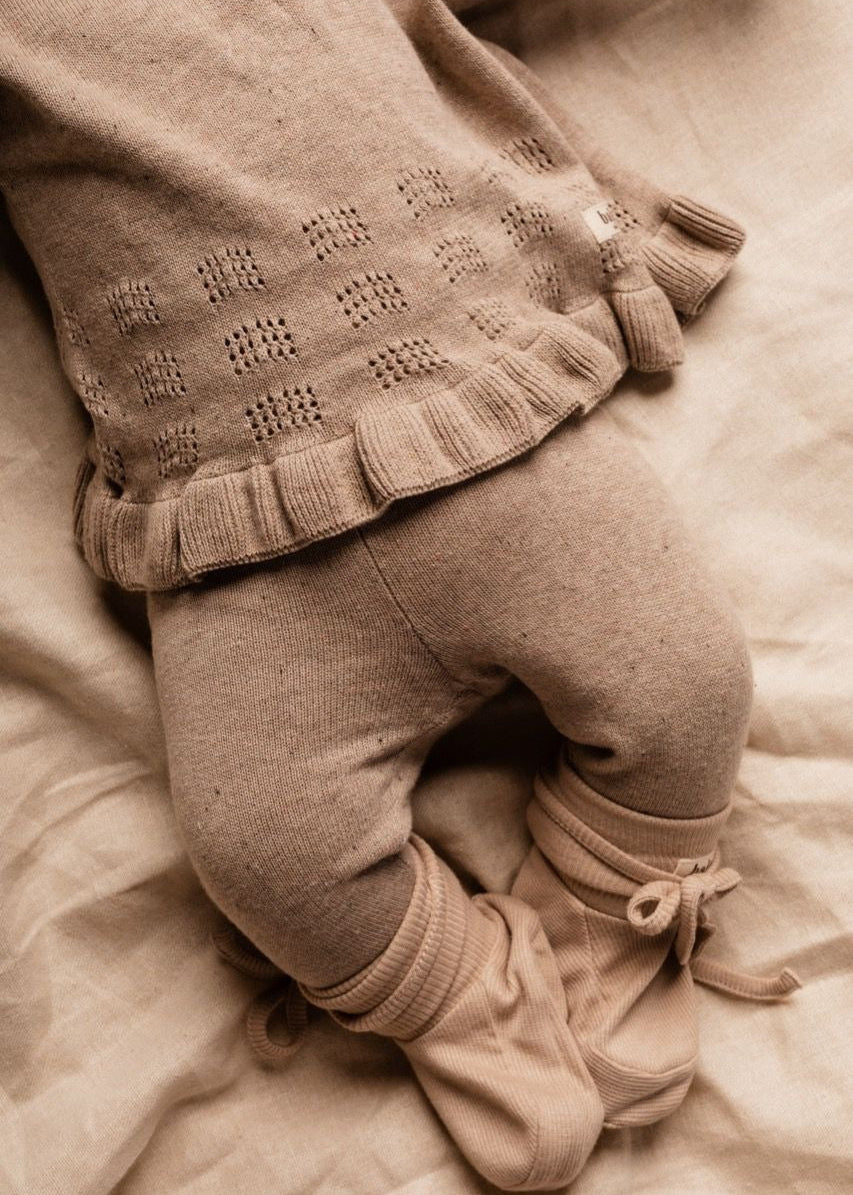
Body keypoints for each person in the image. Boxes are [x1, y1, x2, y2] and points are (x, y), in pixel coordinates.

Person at [0, 1, 799, 1188]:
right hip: (240, 533)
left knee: (687, 680)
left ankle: (603, 908)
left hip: (482, 414)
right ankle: (469, 1001)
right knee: (263, 851)